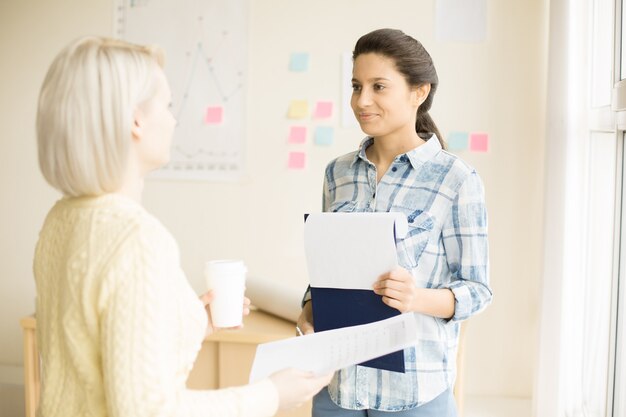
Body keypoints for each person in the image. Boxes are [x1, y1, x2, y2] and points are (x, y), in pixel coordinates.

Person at [33, 36, 331, 417]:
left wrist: (191, 324)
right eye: (167, 104)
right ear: (136, 120)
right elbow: (149, 410)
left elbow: (95, 356)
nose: (173, 118)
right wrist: (272, 394)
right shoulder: (136, 239)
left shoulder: (60, 221)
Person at [296, 28, 493, 417]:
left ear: (419, 92)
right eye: (356, 86)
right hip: (338, 390)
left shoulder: (456, 179)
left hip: (416, 394)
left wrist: (416, 298)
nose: (362, 100)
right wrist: (309, 307)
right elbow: (328, 265)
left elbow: (478, 290)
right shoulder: (337, 173)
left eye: (378, 86)